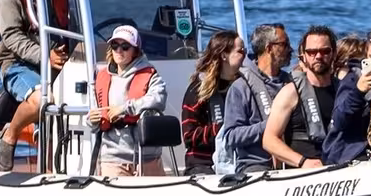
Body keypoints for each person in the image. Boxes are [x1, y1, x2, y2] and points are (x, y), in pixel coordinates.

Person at [0, 0, 76, 171]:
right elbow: (12, 38)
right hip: (17, 65)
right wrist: (44, 56)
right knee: (43, 99)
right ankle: (10, 136)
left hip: (56, 62)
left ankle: (56, 166)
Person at [86, 25, 167, 177]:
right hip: (112, 157)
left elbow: (158, 99)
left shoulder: (151, 75)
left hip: (147, 156)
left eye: (125, 46)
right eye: (115, 45)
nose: (119, 51)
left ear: (135, 50)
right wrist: (91, 120)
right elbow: (93, 116)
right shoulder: (101, 77)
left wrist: (124, 108)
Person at [260, 26, 339, 169]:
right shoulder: (290, 92)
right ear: (303, 56)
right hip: (302, 174)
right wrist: (303, 162)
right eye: (312, 52)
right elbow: (269, 140)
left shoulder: (342, 90)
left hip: (338, 167)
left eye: (325, 51)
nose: (318, 56)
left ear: (334, 53)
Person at [217, 23, 293, 173]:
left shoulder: (291, 83)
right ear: (269, 48)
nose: (290, 49)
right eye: (285, 45)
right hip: (255, 166)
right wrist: (270, 125)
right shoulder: (240, 88)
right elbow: (232, 136)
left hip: (291, 160)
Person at [323, 25, 371, 165]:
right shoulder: (353, 80)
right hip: (353, 152)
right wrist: (359, 91)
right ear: (366, 55)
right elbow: (339, 121)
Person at [180, 31, 245, 174]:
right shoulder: (198, 90)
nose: (245, 55)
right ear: (224, 55)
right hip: (203, 162)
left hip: (238, 159)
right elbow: (189, 136)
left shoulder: (244, 86)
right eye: (240, 51)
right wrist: (223, 129)